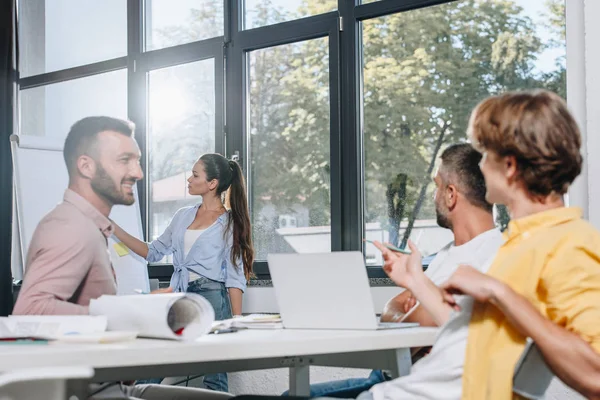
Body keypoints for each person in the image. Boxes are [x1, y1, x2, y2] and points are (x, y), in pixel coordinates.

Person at [12, 116, 232, 400]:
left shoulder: (90, 227)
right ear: (86, 166)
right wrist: (133, 314)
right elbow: (30, 311)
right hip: (94, 392)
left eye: (137, 161)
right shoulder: (70, 227)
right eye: (124, 160)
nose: (138, 173)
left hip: (114, 383)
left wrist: (137, 309)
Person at [290, 143, 504, 398]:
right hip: (389, 374)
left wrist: (417, 310)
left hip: (414, 382)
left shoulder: (490, 256)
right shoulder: (447, 253)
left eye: (436, 186)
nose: (433, 197)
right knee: (291, 395)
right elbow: (397, 312)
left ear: (450, 194)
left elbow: (415, 332)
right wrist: (418, 306)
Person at [434, 90, 600, 400]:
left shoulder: (569, 243)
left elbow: (596, 376)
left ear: (509, 166)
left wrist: (498, 292)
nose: (480, 167)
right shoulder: (519, 240)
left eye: (485, 155)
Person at [112, 153, 254, 393]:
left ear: (212, 183)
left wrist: (236, 321)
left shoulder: (230, 223)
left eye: (195, 175)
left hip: (212, 298)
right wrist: (115, 230)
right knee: (156, 364)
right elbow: (152, 252)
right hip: (179, 296)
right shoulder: (182, 216)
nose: (189, 179)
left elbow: (235, 275)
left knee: (214, 375)